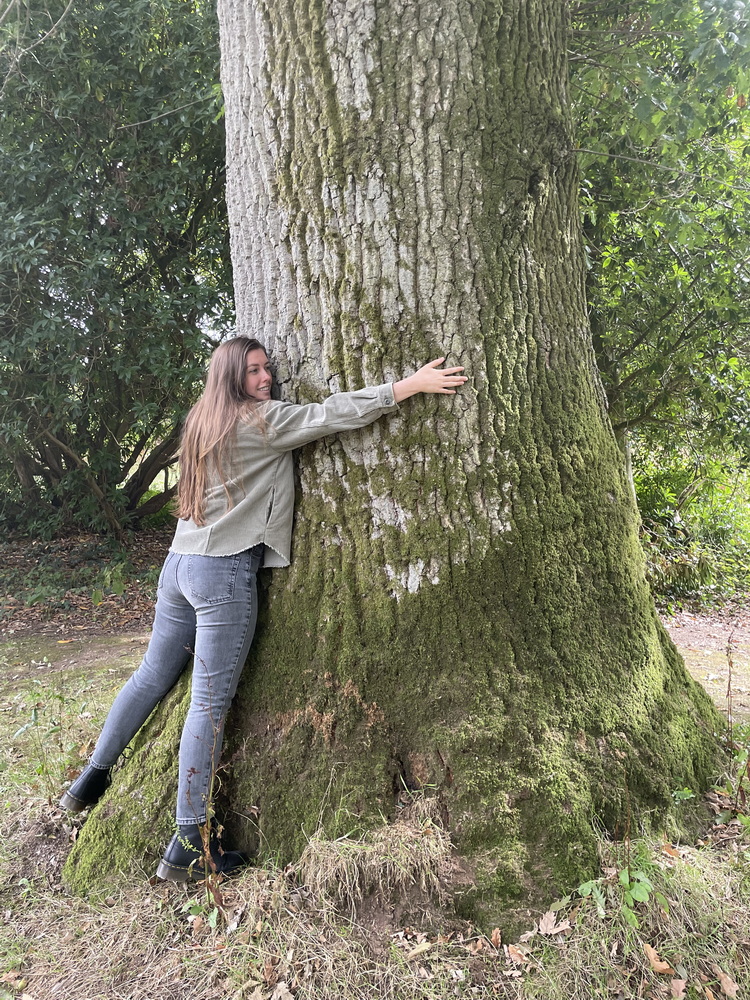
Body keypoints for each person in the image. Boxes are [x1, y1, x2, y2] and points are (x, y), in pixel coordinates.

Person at [60, 336, 468, 881]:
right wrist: (407, 387)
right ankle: (189, 842)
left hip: (179, 566)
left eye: (266, 370)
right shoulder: (261, 421)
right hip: (222, 571)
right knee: (206, 704)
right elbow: (331, 415)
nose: (266, 378)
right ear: (232, 377)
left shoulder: (202, 420)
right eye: (253, 371)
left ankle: (91, 778)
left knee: (151, 677)